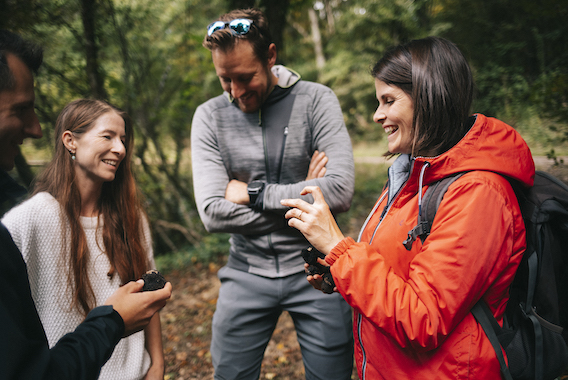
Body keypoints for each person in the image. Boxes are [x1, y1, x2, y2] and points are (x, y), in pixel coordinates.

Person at [281, 36, 535, 379]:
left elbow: (423, 318)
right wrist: (338, 273)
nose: (377, 115)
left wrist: (339, 249)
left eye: (388, 101)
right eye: (377, 101)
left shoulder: (479, 193)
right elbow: (398, 274)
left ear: (428, 98)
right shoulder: (416, 173)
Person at [191, 8, 355, 380]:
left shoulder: (317, 101)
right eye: (224, 80)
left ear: (270, 56)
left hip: (318, 270)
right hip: (245, 271)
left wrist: (249, 193)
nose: (235, 92)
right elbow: (212, 213)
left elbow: (340, 191)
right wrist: (307, 197)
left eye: (245, 78)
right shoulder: (208, 117)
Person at [0, 29, 172, 380]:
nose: (120, 149)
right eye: (107, 136)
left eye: (123, 139)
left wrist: (157, 362)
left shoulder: (130, 217)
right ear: (70, 142)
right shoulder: (27, 219)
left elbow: (147, 293)